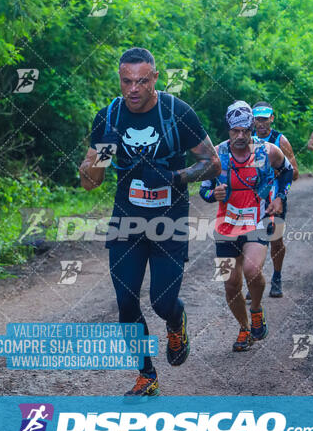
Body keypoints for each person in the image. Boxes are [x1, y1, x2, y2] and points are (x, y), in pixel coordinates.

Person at [79, 47, 221, 398]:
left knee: (161, 301)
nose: (133, 89)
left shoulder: (176, 113)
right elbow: (90, 181)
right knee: (126, 305)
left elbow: (213, 163)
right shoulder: (110, 118)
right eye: (127, 81)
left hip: (169, 223)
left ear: (155, 78)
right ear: (120, 79)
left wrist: (176, 177)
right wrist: (102, 152)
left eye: (141, 81)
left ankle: (176, 321)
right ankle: (146, 374)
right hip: (126, 223)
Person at [200, 101, 293, 352]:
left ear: (252, 128)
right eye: (235, 131)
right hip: (226, 226)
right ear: (228, 130)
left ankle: (256, 310)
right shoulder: (216, 155)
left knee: (252, 270)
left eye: (245, 130)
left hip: (257, 221)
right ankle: (244, 329)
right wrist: (213, 194)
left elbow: (287, 172)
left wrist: (278, 198)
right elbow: (204, 189)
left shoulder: (268, 151)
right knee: (230, 284)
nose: (240, 136)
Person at [252, 101, 299, 298]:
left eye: (265, 119)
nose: (261, 123)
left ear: (272, 118)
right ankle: (255, 280)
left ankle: (277, 277)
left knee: (275, 240)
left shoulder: (280, 140)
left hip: (276, 197)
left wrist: (278, 183)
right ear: (252, 120)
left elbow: (295, 173)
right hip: (252, 199)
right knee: (252, 240)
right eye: (258, 119)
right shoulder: (246, 138)